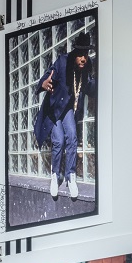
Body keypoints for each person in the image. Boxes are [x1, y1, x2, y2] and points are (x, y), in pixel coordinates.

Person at [33, 31, 96, 201]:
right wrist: (44, 84)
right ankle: (55, 175)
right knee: (59, 140)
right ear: (75, 53)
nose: (84, 58)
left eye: (86, 54)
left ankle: (71, 176)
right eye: (81, 55)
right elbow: (48, 75)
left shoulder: (86, 65)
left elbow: (90, 85)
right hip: (53, 110)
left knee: (73, 137)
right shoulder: (62, 61)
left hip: (67, 109)